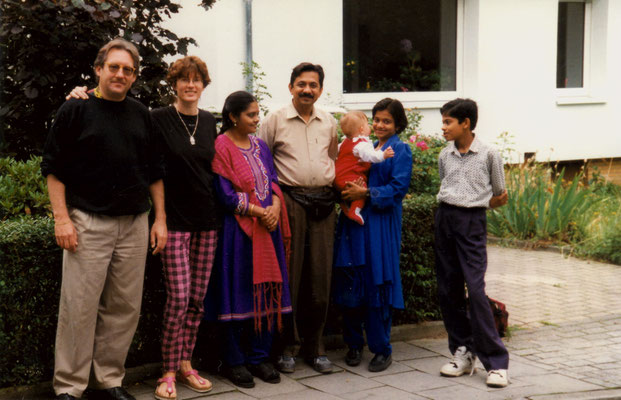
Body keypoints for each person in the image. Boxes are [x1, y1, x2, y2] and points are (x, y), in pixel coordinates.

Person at [65, 55, 221, 400]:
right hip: (173, 222)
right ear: (174, 84)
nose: (190, 85)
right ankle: (165, 371)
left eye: (197, 80)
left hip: (207, 222)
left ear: (204, 85)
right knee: (178, 298)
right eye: (184, 79)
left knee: (196, 300)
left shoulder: (211, 122)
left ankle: (185, 364)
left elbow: (215, 171)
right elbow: (151, 166)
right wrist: (81, 92)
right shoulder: (156, 118)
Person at [42, 38, 167, 400]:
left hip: (133, 223)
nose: (120, 74)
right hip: (88, 222)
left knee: (124, 307)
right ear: (98, 69)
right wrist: (61, 220)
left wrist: (159, 220)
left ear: (134, 77)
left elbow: (155, 171)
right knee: (78, 307)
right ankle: (69, 386)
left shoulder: (142, 114)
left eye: (128, 70)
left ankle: (109, 379)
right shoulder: (75, 109)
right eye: (114, 67)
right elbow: (53, 169)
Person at [207, 91, 292, 388]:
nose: (257, 120)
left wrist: (276, 208)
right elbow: (224, 194)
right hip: (238, 232)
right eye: (251, 115)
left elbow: (274, 181)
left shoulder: (259, 145)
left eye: (258, 114)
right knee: (236, 291)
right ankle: (235, 360)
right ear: (233, 116)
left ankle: (259, 356)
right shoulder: (222, 146)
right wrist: (258, 211)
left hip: (267, 229)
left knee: (267, 291)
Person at [257, 62, 338, 374]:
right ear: (291, 87)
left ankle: (315, 348)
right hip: (289, 202)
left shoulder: (328, 121)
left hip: (324, 204)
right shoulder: (275, 120)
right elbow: (262, 163)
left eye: (313, 85)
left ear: (320, 89)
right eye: (301, 84)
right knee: (290, 276)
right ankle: (285, 347)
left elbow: (331, 158)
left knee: (321, 278)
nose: (307, 90)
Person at [434, 98, 510, 388]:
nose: (443, 128)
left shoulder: (489, 153)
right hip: (445, 220)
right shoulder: (445, 155)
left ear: (465, 123)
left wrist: (475, 205)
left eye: (447, 122)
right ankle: (463, 352)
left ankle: (497, 363)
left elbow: (500, 195)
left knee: (476, 291)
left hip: (472, 223)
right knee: (448, 289)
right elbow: (445, 186)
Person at [335, 98, 413, 372]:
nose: (380, 125)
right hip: (353, 225)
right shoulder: (365, 146)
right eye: (377, 119)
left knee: (378, 285)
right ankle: (354, 345)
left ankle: (382, 349)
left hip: (379, 225)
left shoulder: (399, 149)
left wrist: (365, 194)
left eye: (387, 121)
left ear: (397, 124)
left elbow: (398, 188)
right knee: (351, 283)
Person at [334, 110, 394, 225]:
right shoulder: (361, 144)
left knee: (346, 193)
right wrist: (383, 155)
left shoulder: (345, 142)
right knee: (361, 188)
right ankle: (355, 211)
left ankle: (345, 207)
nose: (371, 126)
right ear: (361, 129)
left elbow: (335, 153)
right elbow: (371, 156)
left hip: (338, 178)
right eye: (368, 124)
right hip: (350, 178)